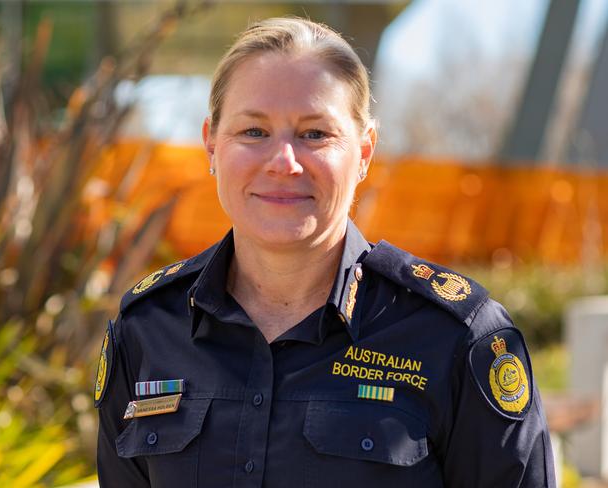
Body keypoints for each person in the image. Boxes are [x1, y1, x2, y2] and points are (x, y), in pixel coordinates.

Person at [95, 17, 556, 487]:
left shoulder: (458, 337)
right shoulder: (148, 330)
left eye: (315, 134)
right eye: (254, 131)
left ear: (364, 152)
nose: (283, 162)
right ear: (212, 142)